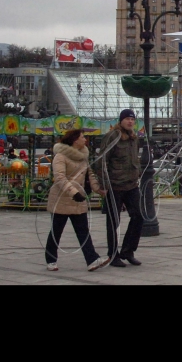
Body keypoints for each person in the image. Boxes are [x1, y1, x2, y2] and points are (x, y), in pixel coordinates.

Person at [44, 129, 109, 272]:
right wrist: (73, 192)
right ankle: (51, 259)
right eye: (82, 137)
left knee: (83, 231)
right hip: (62, 199)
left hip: (78, 200)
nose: (85, 139)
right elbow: (60, 177)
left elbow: (89, 175)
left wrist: (99, 190)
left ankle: (92, 259)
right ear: (75, 140)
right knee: (56, 231)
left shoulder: (83, 156)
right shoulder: (60, 156)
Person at [96, 109, 144, 268]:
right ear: (121, 120)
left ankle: (128, 251)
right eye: (127, 119)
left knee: (138, 216)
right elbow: (102, 161)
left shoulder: (134, 138)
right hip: (115, 185)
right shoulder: (113, 136)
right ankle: (113, 254)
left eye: (132, 119)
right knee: (113, 221)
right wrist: (103, 185)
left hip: (131, 185)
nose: (130, 122)